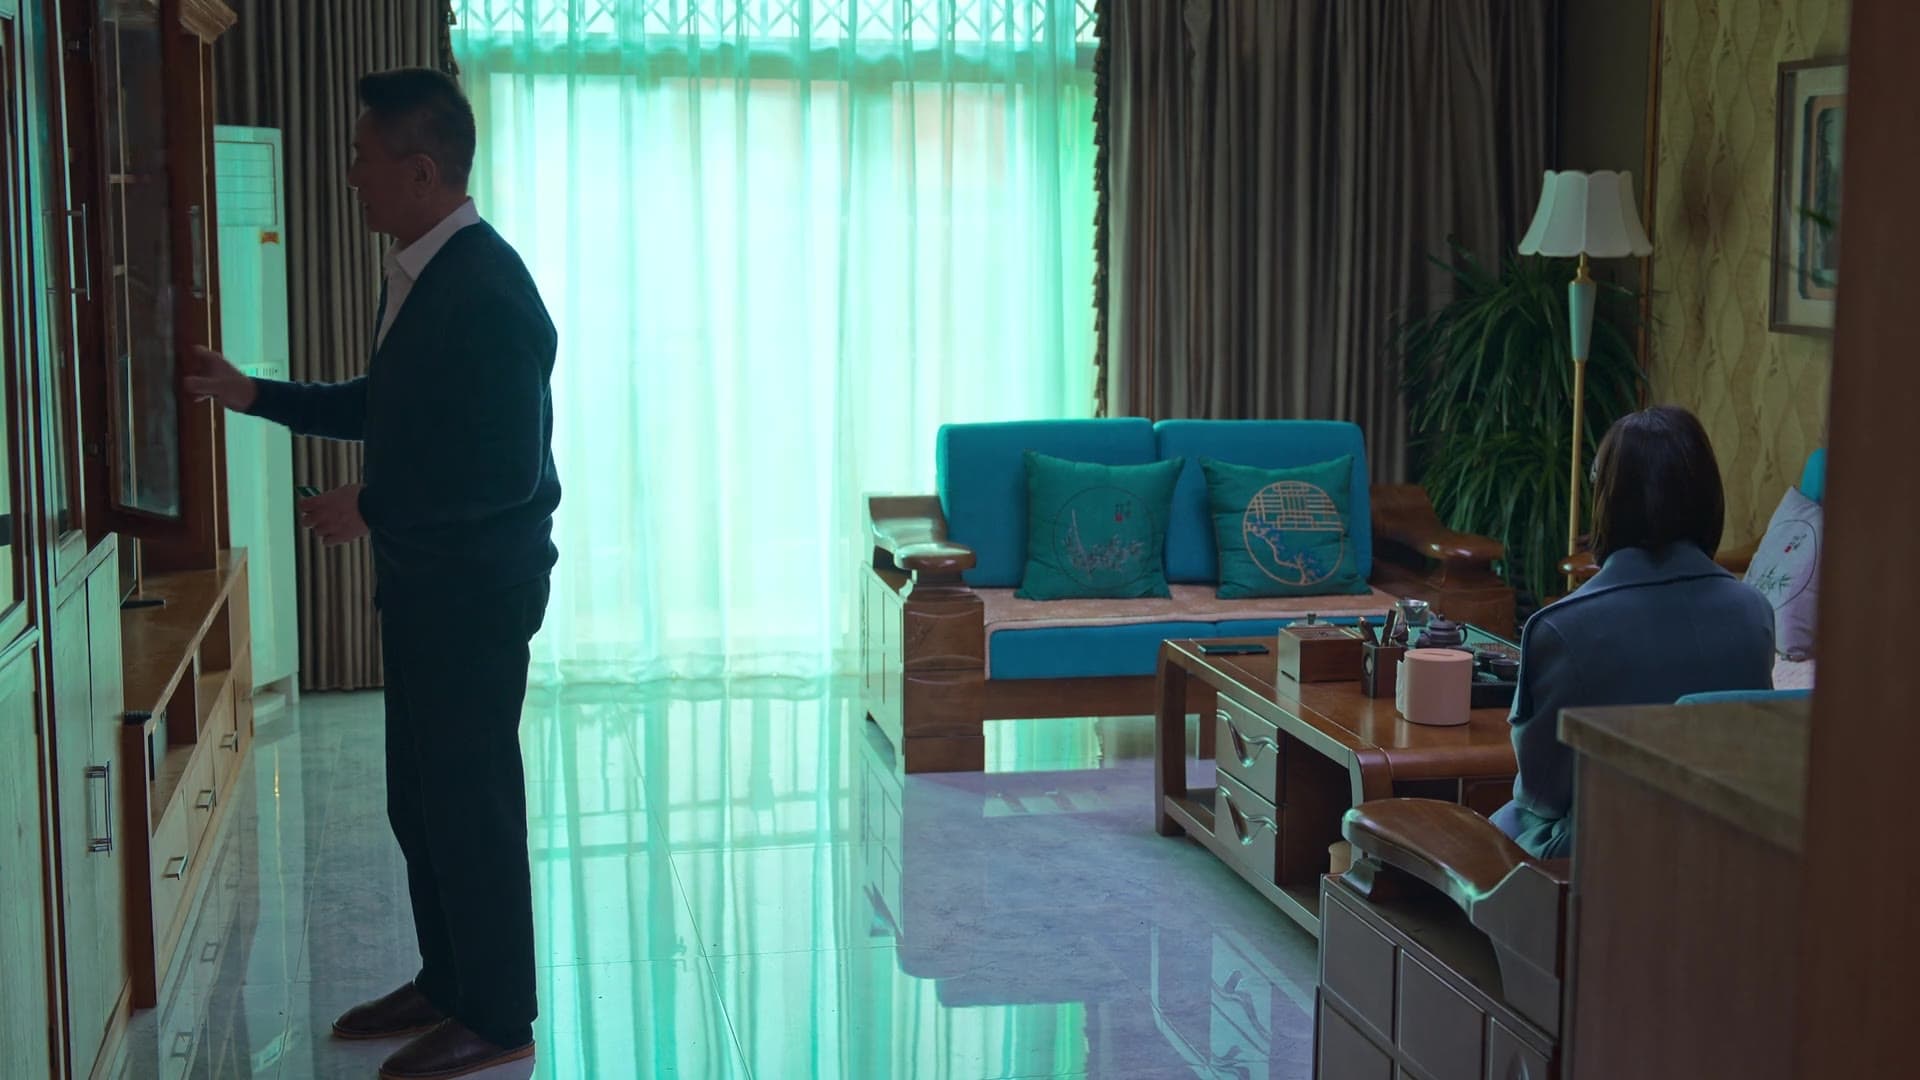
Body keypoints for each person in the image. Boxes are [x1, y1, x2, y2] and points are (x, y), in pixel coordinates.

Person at [183, 67, 560, 1080]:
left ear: (422, 171)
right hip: (429, 583)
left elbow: (504, 469)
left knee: (471, 807)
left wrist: (374, 504)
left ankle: (499, 1016)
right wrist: (253, 393)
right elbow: (387, 405)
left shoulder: (489, 289)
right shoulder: (422, 271)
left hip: (477, 594)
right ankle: (447, 982)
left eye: (362, 157)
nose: (350, 175)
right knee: (421, 801)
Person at [1491, 405, 1773, 860]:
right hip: (1720, 855)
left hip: (1591, 863)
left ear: (1607, 498)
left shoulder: (1561, 627)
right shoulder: (1755, 612)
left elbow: (1542, 793)